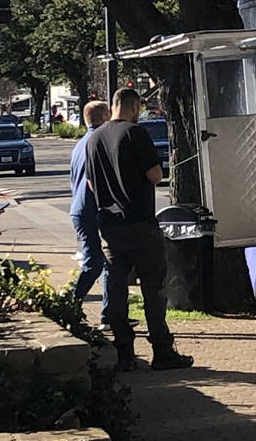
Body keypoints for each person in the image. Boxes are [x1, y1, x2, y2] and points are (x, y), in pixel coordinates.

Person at [86, 88, 193, 372]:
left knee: (116, 288)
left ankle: (124, 353)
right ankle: (161, 350)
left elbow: (91, 184)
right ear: (134, 108)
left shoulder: (93, 138)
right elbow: (155, 175)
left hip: (109, 227)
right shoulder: (136, 134)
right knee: (153, 289)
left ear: (113, 106)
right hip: (140, 224)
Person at [70, 100, 112, 325]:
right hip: (92, 208)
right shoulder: (99, 141)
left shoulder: (80, 144)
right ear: (104, 116)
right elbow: (95, 180)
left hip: (80, 208)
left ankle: (109, 314)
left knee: (105, 260)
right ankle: (70, 302)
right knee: (96, 260)